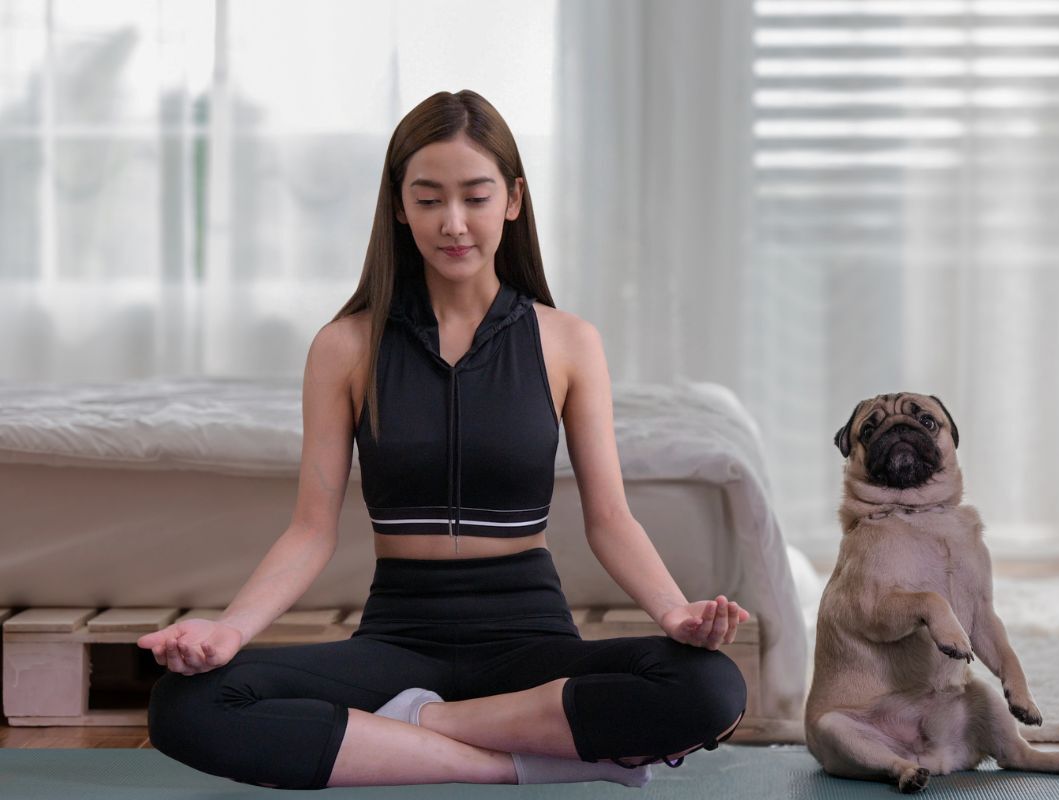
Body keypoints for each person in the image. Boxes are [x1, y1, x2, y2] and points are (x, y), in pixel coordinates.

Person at [139, 89, 749, 790]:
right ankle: (522, 766)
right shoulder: (345, 347)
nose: (453, 223)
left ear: (513, 200)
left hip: (530, 638)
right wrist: (230, 631)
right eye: (428, 200)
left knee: (710, 687)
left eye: (475, 197)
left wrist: (674, 611)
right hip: (399, 637)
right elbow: (310, 530)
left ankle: (419, 728)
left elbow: (610, 519)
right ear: (398, 206)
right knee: (187, 704)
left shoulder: (569, 343)